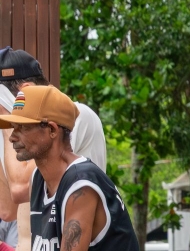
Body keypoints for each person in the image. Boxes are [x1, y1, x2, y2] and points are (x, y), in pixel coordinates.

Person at [0, 85, 137, 251]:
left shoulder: (81, 184)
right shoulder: (37, 178)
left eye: (23, 128)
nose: (13, 137)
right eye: (14, 127)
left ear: (51, 129)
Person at [0, 47, 108, 250]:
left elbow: (19, 188)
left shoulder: (74, 115)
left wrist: (6, 110)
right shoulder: (35, 171)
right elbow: (7, 210)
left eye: (20, 127)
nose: (13, 135)